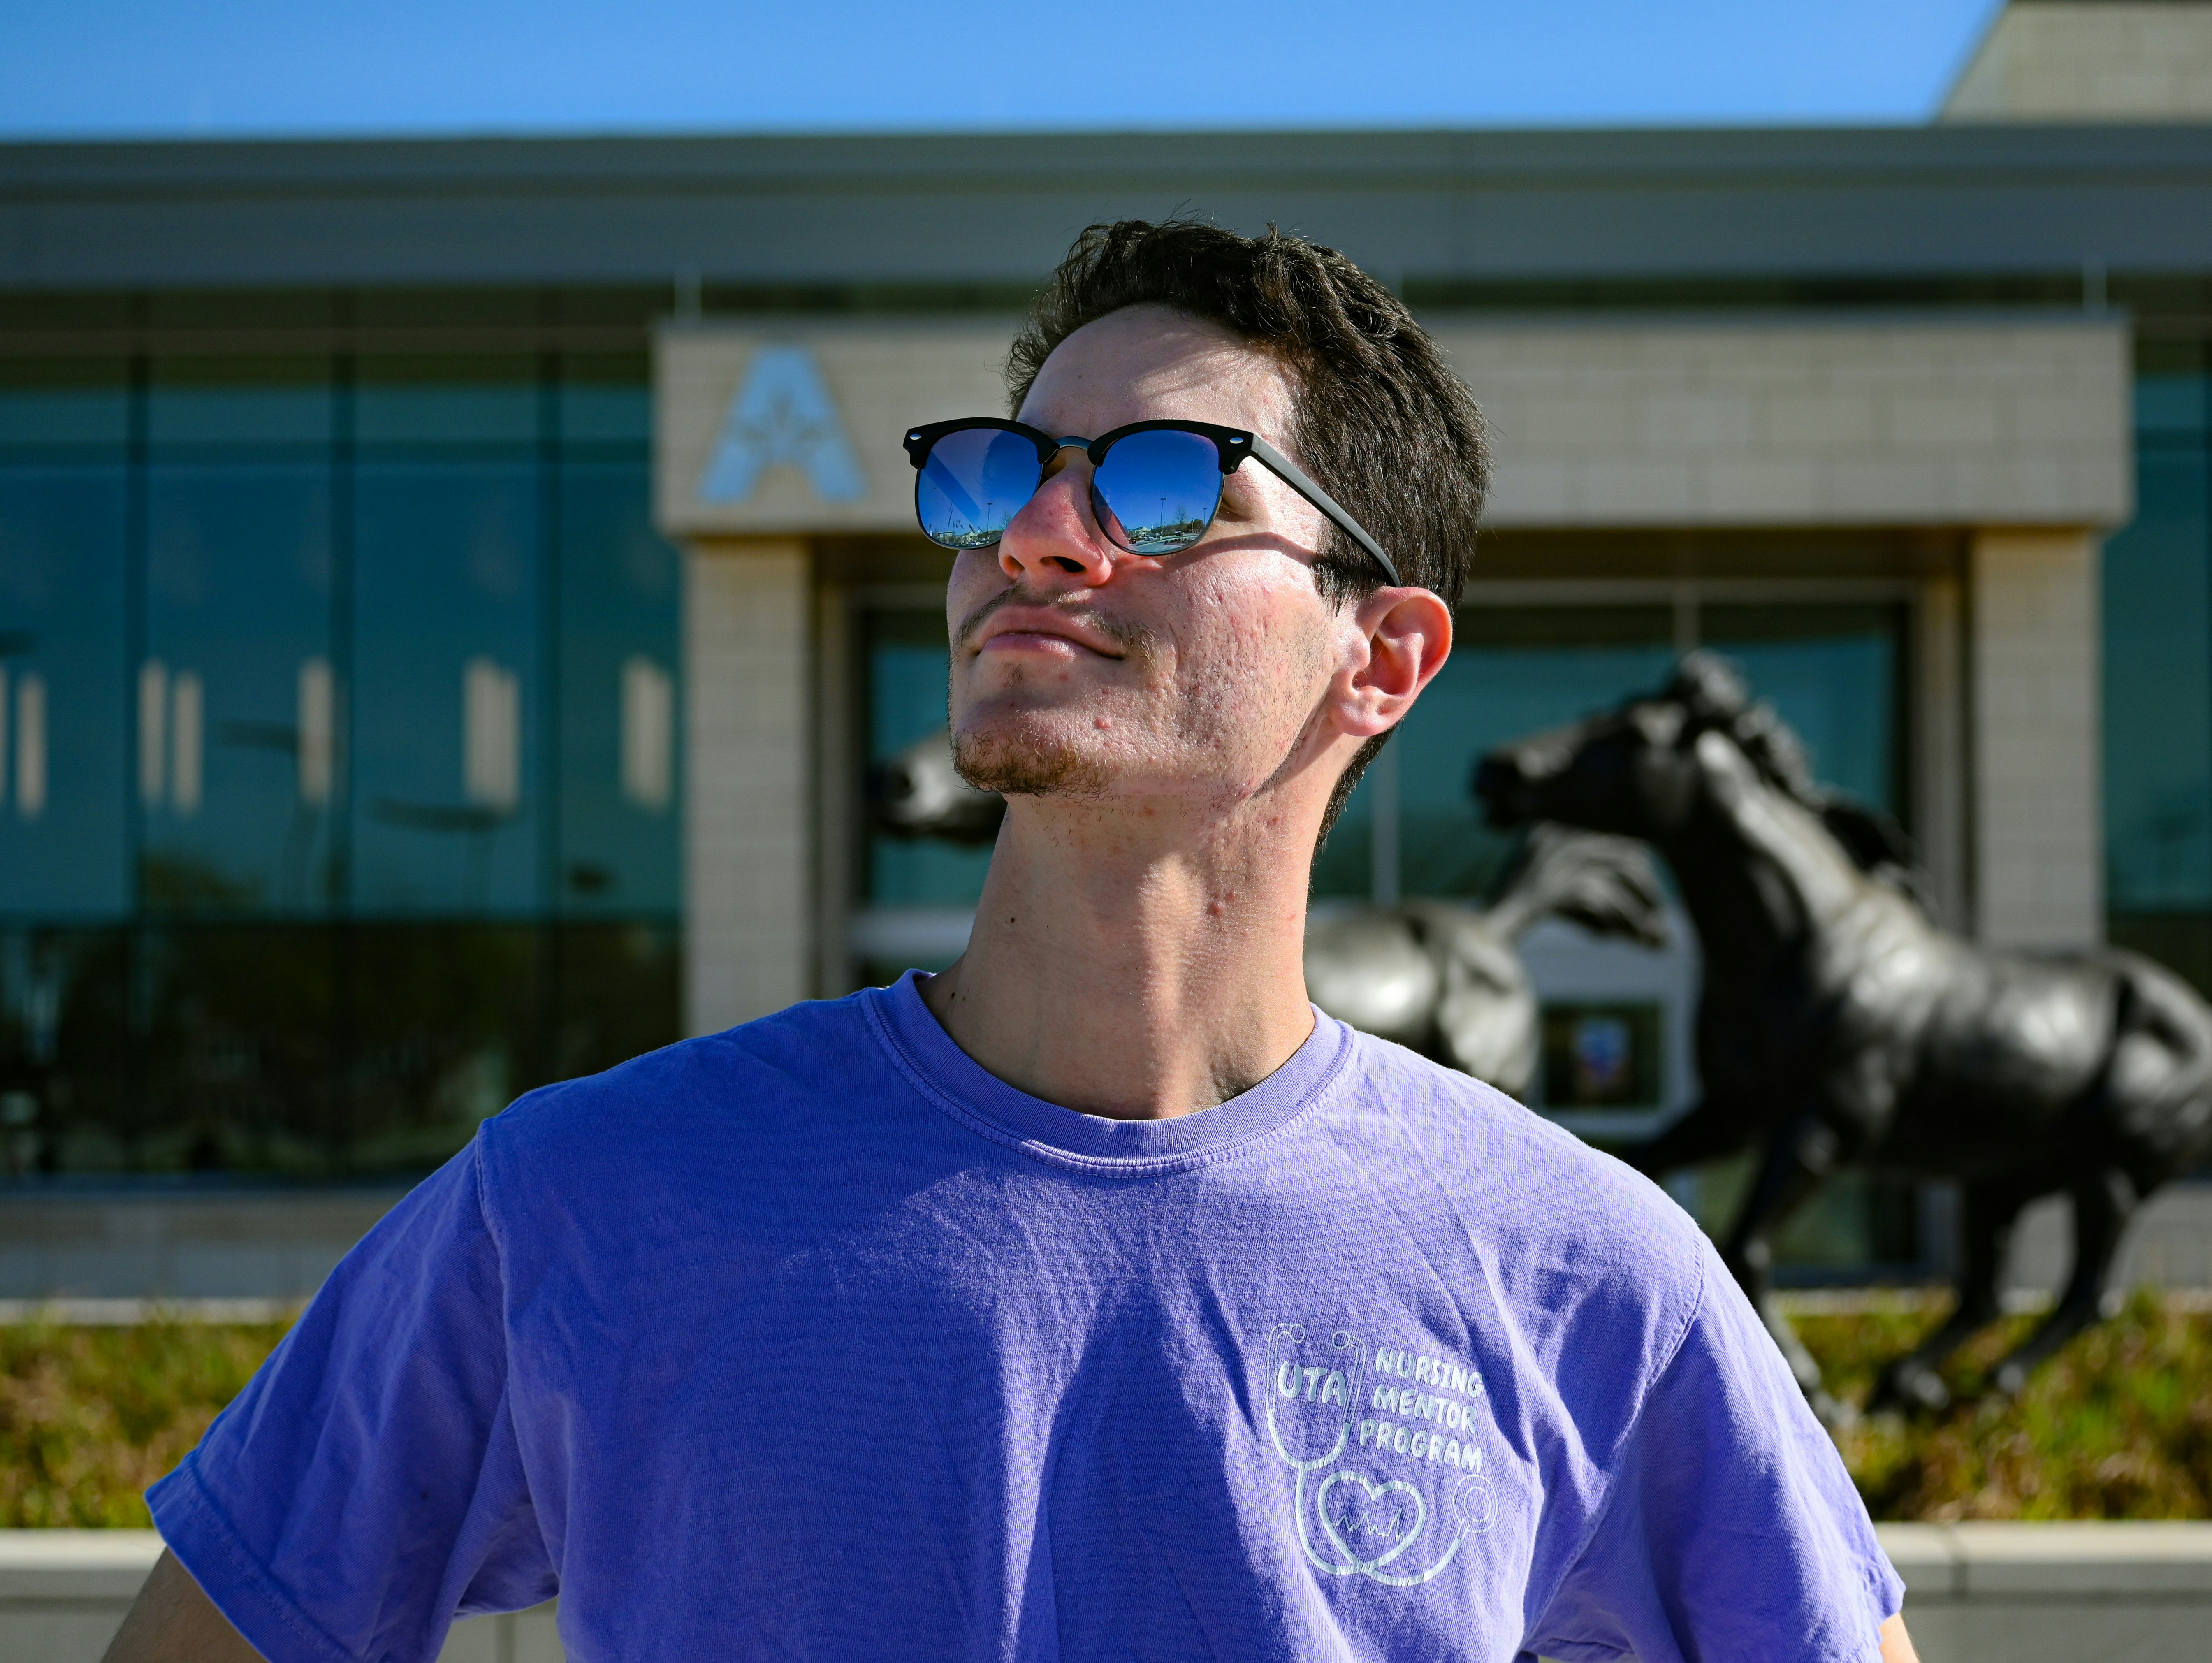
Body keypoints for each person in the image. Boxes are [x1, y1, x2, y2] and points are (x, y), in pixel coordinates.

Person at [107, 219, 1917, 1663]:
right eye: (1002, 475)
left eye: (1156, 483)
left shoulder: (1585, 1273)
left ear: (1382, 658)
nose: (1038, 537)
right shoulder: (574, 1201)